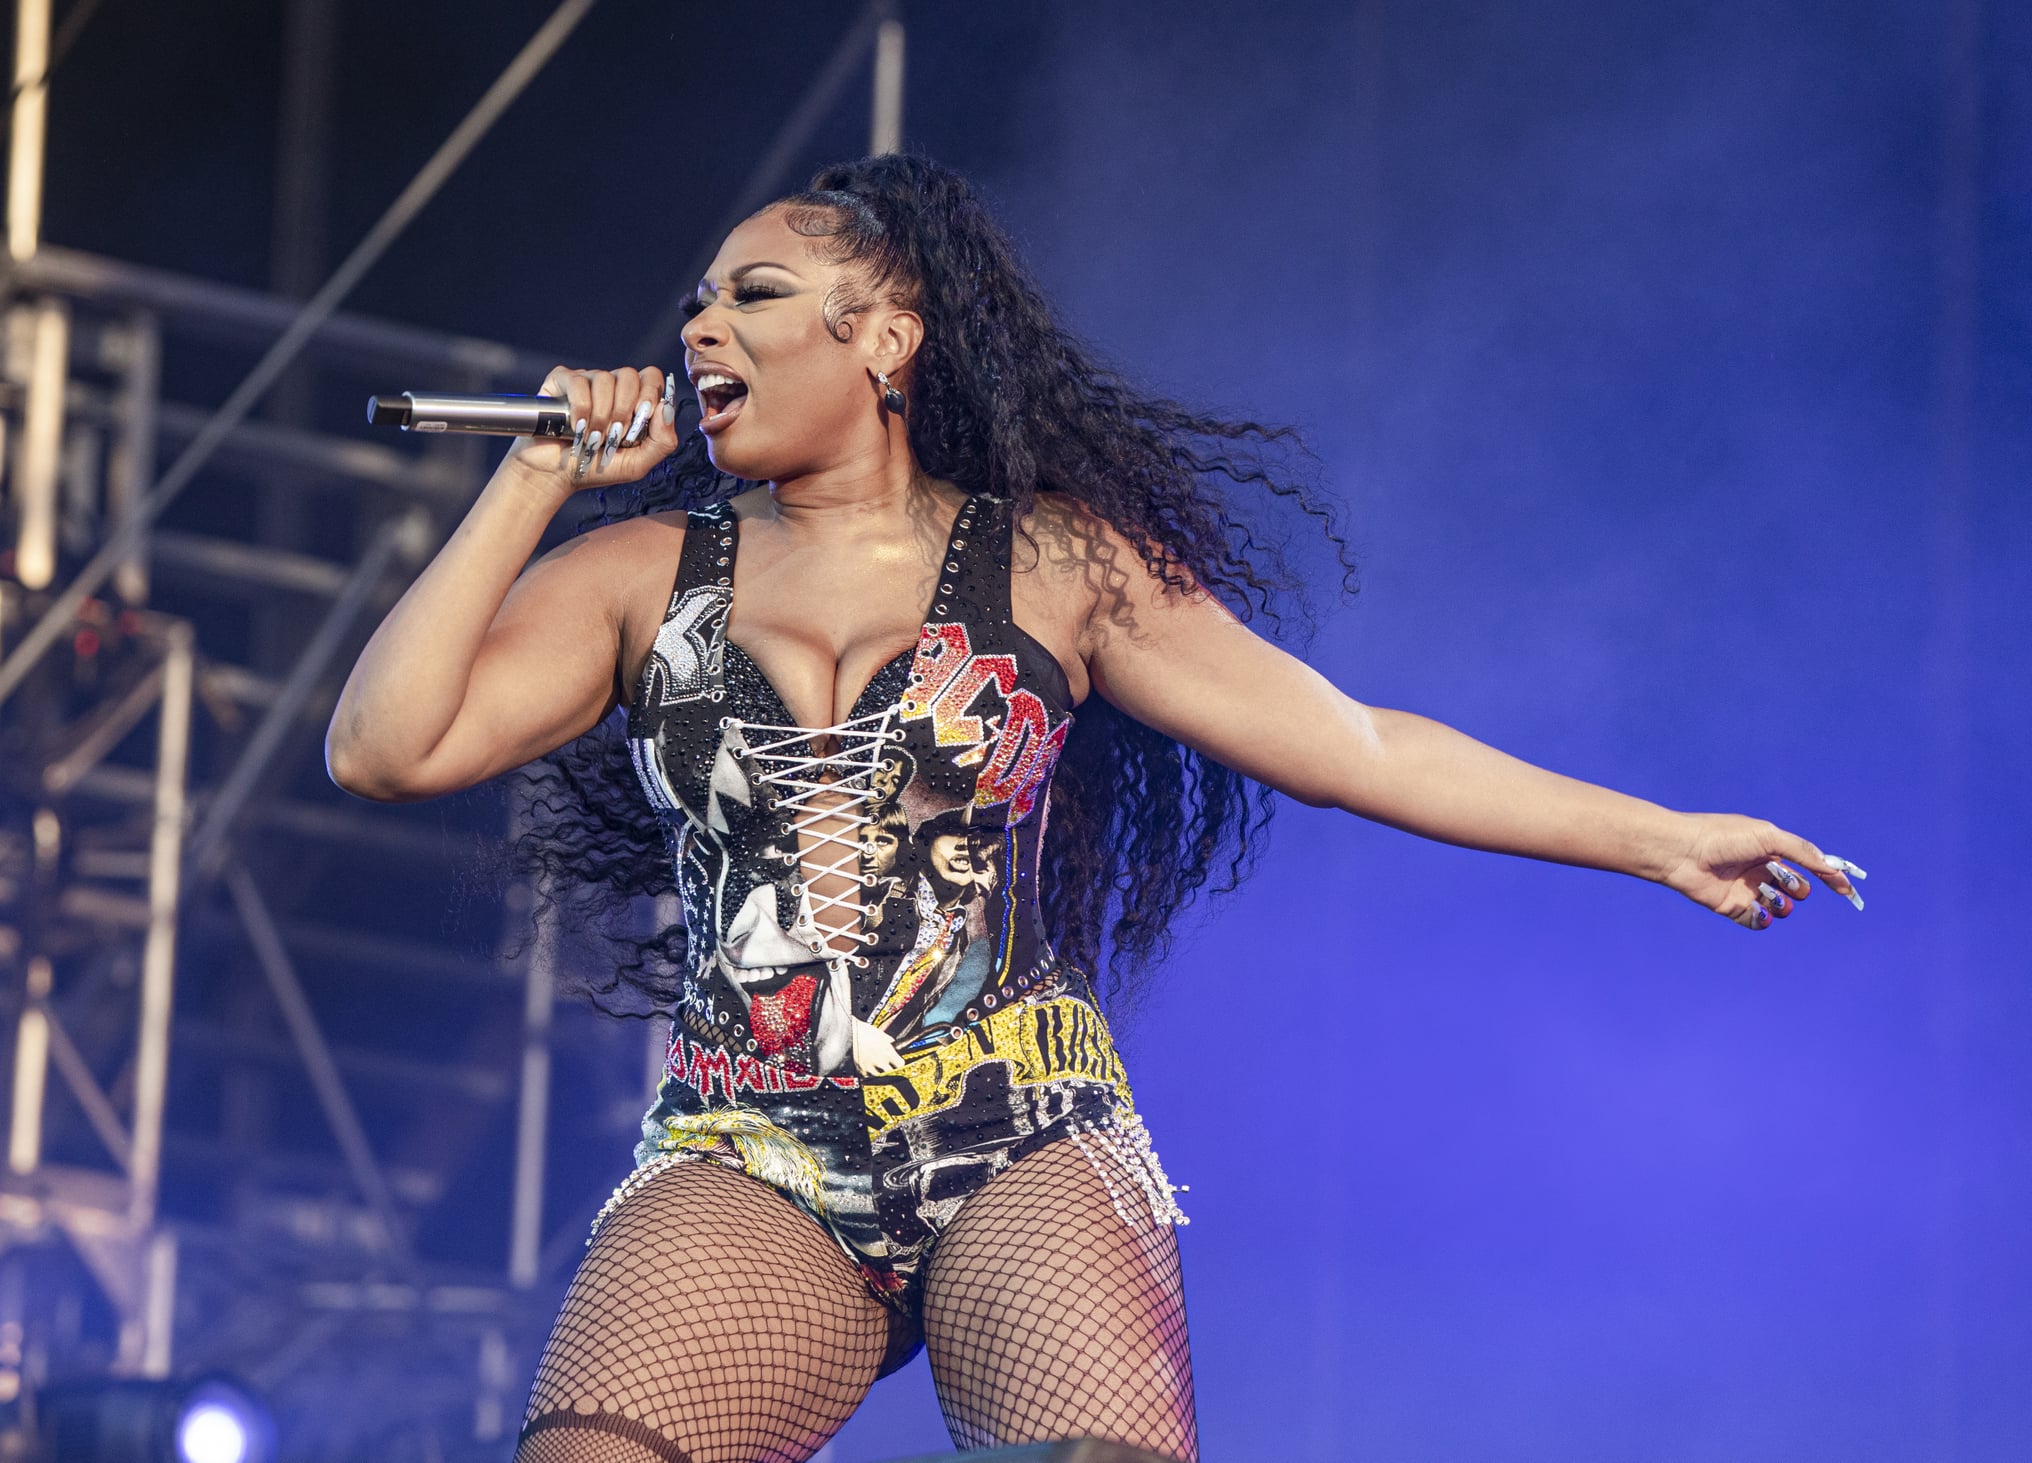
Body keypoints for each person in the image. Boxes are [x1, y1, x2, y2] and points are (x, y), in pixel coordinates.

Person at [326, 154, 1864, 1463]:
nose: (701, 325)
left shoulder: (1058, 566)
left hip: (1017, 1130)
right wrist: (533, 479)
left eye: (753, 294)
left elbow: (1362, 746)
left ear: (887, 339)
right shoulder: (636, 575)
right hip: (749, 1146)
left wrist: (1660, 837)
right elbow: (386, 752)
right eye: (697, 304)